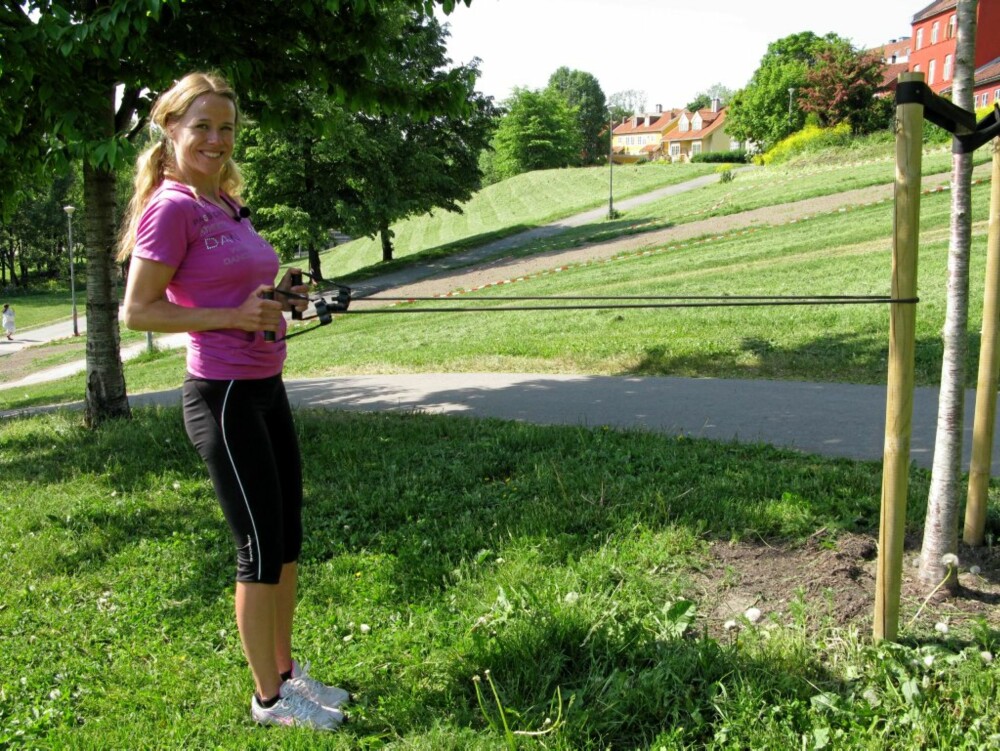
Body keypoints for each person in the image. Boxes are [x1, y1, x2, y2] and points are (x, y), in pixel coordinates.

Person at [117, 72, 349, 731]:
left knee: (287, 541)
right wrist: (233, 316)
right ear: (170, 130)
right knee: (258, 548)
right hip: (221, 396)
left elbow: (237, 294)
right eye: (203, 128)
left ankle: (287, 671)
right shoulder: (171, 208)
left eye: (226, 128)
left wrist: (277, 298)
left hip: (264, 387)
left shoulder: (221, 202)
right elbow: (138, 310)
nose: (217, 139)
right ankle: (269, 699)